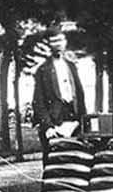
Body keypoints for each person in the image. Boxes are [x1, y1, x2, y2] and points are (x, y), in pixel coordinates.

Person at [32, 26, 87, 160]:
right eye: (54, 41)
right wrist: (48, 126)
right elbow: (38, 102)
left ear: (65, 42)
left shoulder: (71, 66)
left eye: (61, 40)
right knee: (54, 162)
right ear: (49, 45)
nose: (58, 45)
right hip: (54, 120)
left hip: (74, 120)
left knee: (76, 160)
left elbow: (80, 96)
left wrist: (84, 122)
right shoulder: (43, 70)